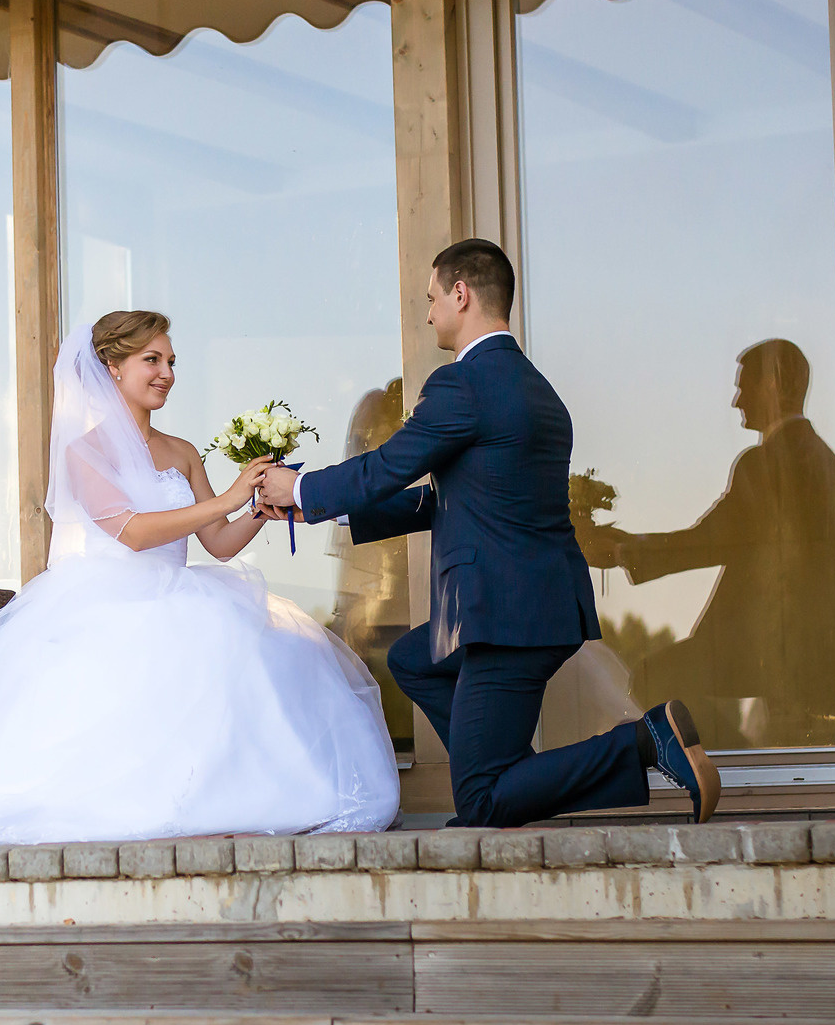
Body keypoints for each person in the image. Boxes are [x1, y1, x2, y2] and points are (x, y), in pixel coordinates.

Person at [0, 310, 400, 848]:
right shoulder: (84, 452)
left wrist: (258, 505)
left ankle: (226, 806)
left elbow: (218, 543)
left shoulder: (182, 452)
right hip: (107, 605)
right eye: (152, 360)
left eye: (171, 361)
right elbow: (133, 532)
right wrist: (229, 497)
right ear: (112, 367)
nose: (167, 373)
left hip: (183, 594)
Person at [256, 238, 723, 827]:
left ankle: (645, 742)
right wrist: (333, 514)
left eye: (431, 299)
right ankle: (509, 778)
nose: (429, 315)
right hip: (539, 605)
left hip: (505, 617)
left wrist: (298, 489)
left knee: (480, 802)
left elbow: (391, 464)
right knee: (414, 660)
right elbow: (447, 499)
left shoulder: (465, 384)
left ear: (461, 294)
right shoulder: (536, 389)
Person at [592, 339, 835, 749]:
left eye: (744, 387)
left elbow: (709, 542)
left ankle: (725, 765)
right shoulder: (829, 463)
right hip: (831, 643)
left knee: (654, 678)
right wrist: (626, 545)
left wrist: (620, 551)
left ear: (772, 386)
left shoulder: (765, 463)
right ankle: (740, 763)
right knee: (800, 758)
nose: (737, 401)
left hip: (779, 643)